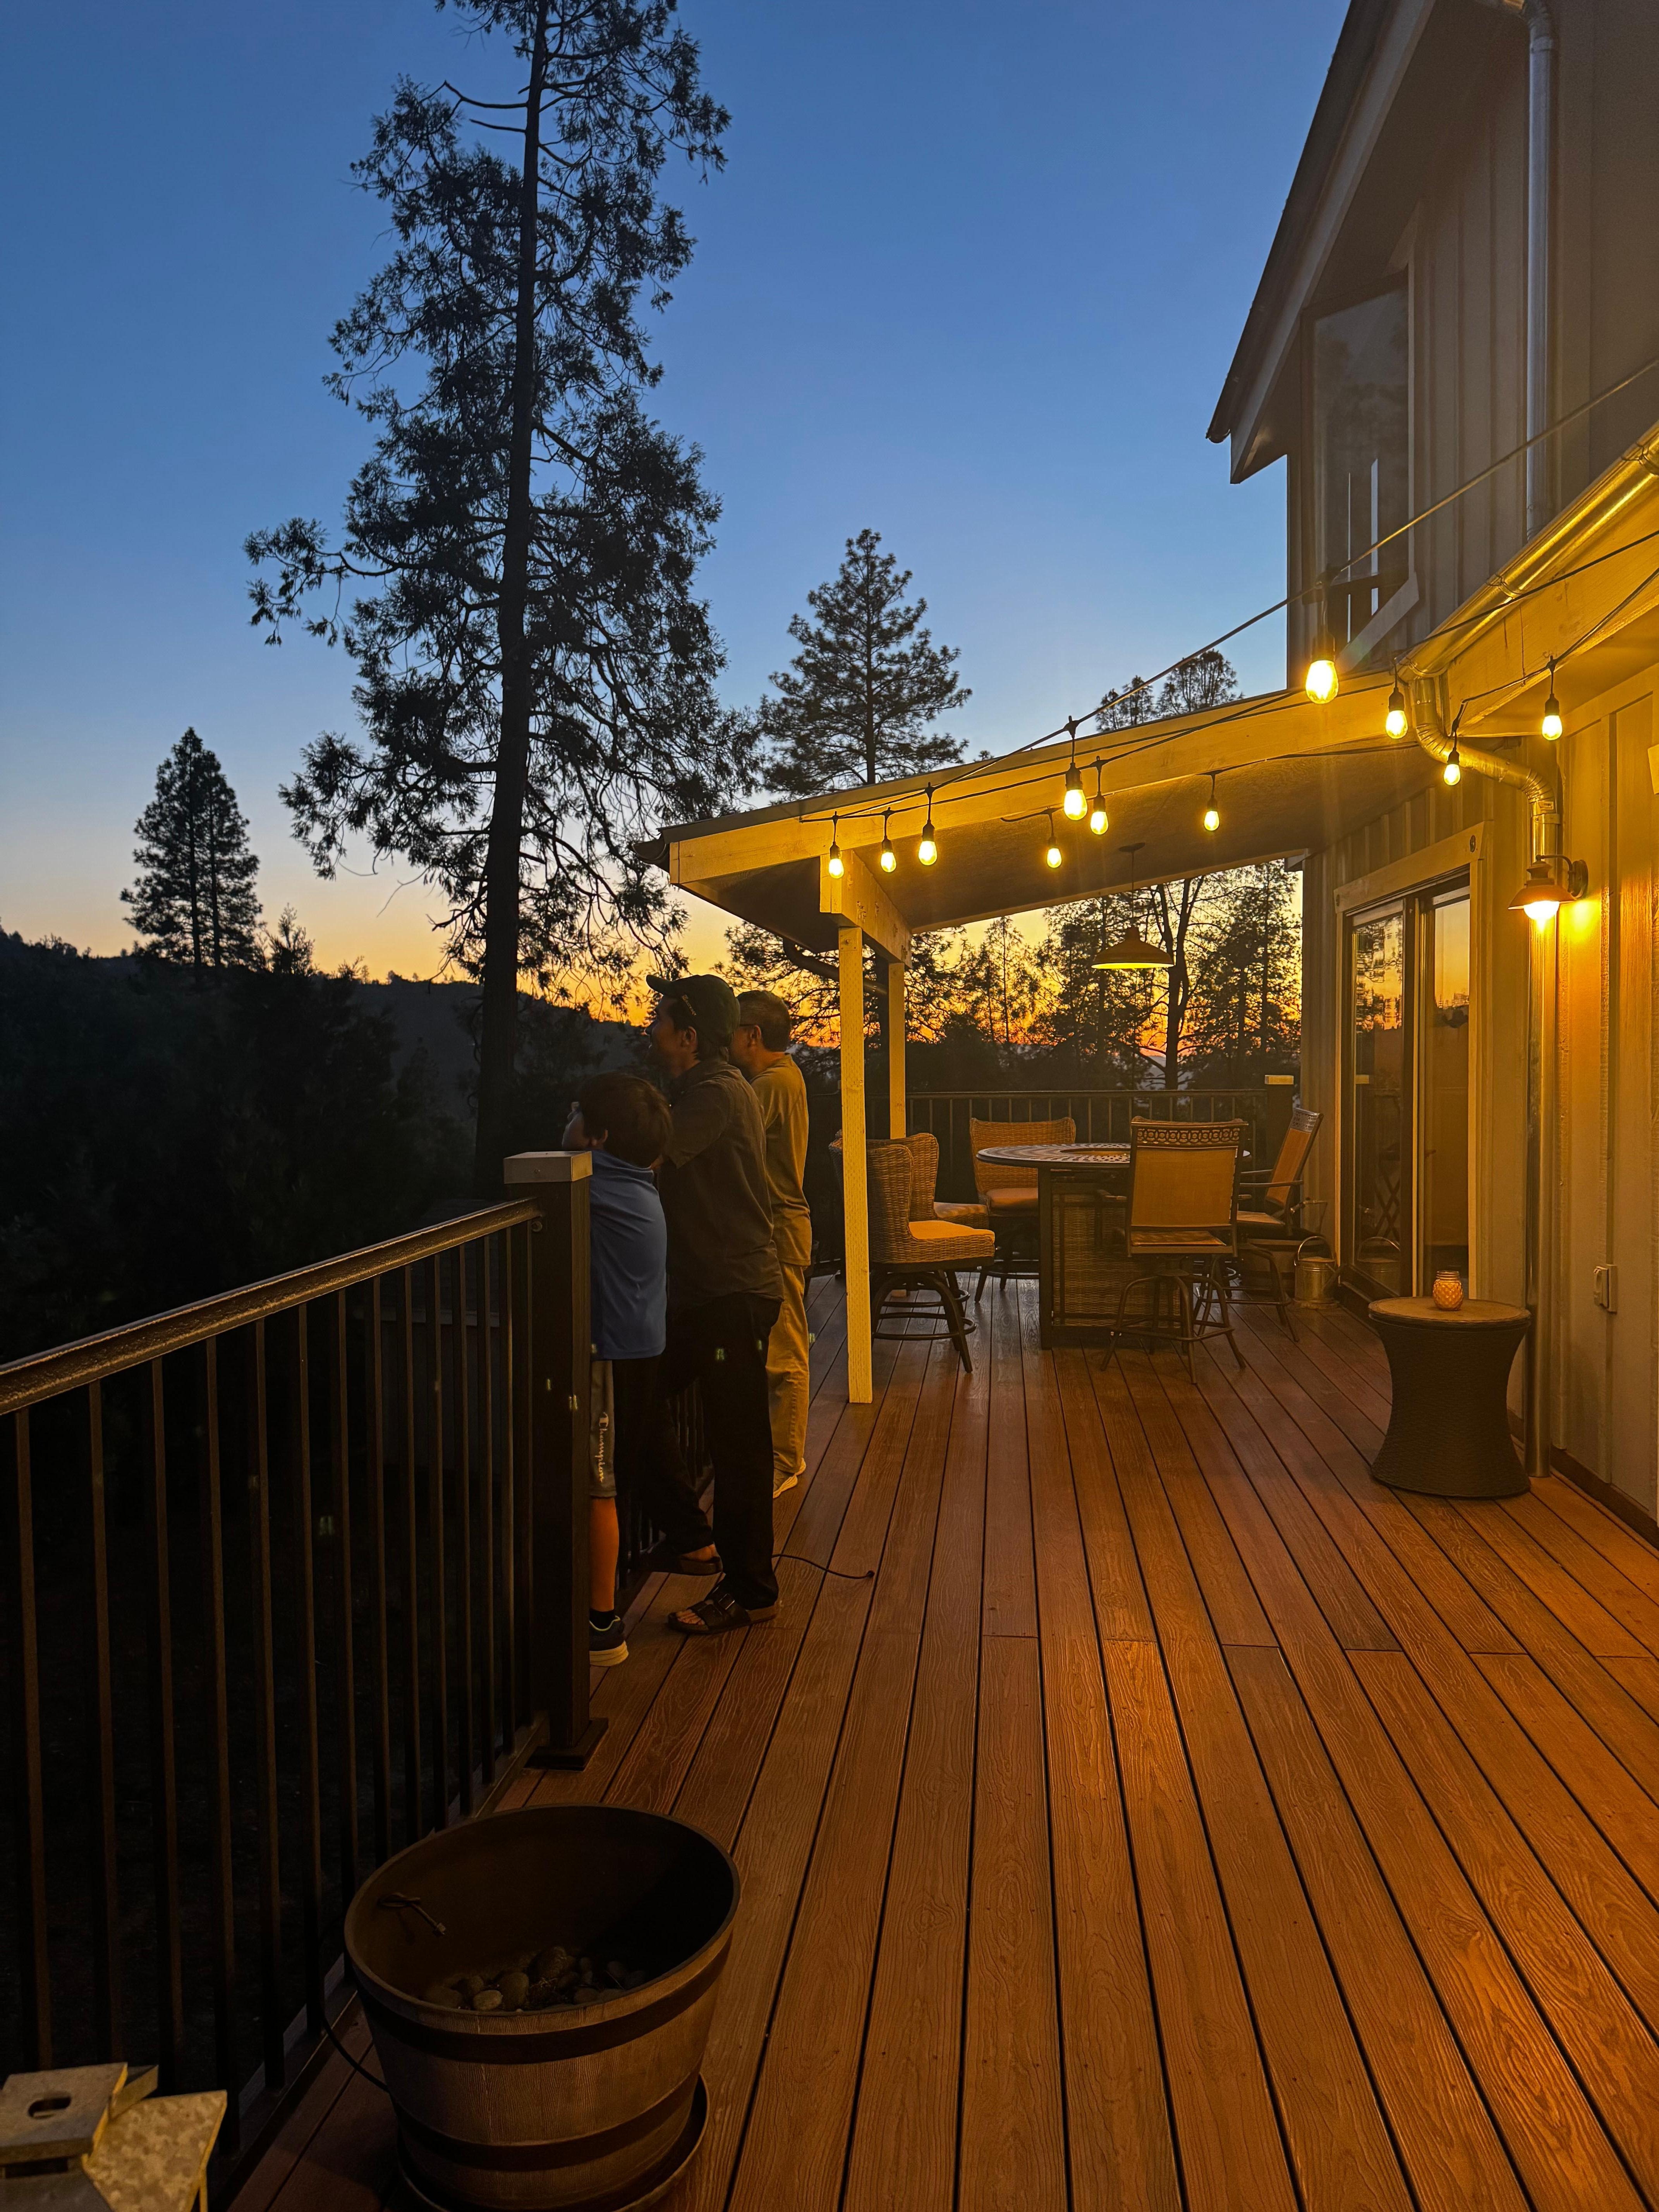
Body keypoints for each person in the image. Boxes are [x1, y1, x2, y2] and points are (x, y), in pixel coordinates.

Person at [641, 973, 783, 1636]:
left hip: (731, 1294)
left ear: (689, 1037)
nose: (652, 1029)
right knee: (636, 1393)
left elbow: (645, 1158)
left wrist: (586, 1134)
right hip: (708, 1293)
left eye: (661, 1020)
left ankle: (751, 1590)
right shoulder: (706, 1089)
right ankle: (691, 1537)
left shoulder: (714, 1094)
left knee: (740, 1446)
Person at [561, 1070, 673, 1668]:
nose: (570, 1119)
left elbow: (545, 1170)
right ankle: (597, 1601)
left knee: (597, 1487)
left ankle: (601, 1624)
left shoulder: (596, 1182)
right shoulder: (637, 1182)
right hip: (641, 1345)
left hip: (610, 1352)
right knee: (609, 1482)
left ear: (599, 1137)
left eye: (578, 1112)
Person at [731, 989, 813, 1497]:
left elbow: (727, 1140)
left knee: (784, 1350)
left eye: (731, 1031)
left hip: (779, 1230)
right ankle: (777, 1453)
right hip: (780, 1229)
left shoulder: (771, 1085)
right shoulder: (784, 1078)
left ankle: (786, 1461)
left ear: (752, 1036)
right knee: (780, 1343)